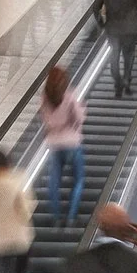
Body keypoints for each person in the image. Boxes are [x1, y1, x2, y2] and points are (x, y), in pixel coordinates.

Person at [39, 65, 87, 225]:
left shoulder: (44, 98)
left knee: (54, 181)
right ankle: (71, 216)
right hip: (72, 143)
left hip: (54, 144)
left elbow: (46, 121)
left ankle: (56, 217)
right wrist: (81, 111)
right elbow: (79, 119)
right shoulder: (69, 96)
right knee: (78, 179)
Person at [94, 0, 137, 97]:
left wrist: (101, 23)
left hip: (113, 30)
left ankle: (118, 82)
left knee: (114, 55)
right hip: (130, 29)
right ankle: (126, 80)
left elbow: (95, 8)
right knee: (129, 56)